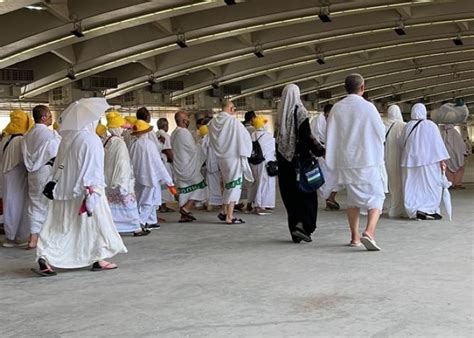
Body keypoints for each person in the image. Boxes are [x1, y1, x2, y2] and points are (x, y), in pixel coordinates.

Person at [33, 99, 127, 276]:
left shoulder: (66, 140)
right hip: (86, 192)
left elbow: (57, 166)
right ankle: (99, 257)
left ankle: (46, 255)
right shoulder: (91, 140)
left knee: (59, 227)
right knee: (95, 226)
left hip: (62, 191)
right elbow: (94, 169)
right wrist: (94, 192)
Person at [326, 74, 386, 251]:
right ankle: (369, 232)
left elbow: (331, 133)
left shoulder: (337, 108)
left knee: (353, 200)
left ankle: (354, 237)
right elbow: (380, 132)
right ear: (363, 88)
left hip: (346, 161)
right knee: (376, 197)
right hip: (367, 159)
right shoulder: (368, 108)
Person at [276, 84, 325, 243]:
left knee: (290, 197)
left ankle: (294, 229)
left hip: (285, 164)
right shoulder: (301, 112)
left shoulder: (281, 115)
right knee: (308, 195)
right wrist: (317, 151)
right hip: (300, 163)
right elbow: (306, 137)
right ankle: (304, 226)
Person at [399, 103, 450, 220]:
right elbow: (438, 145)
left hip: (410, 161)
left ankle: (414, 210)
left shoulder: (408, 126)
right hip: (430, 162)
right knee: (430, 185)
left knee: (412, 186)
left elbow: (401, 143)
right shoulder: (431, 126)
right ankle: (429, 209)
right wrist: (442, 160)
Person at [104, 112, 149, 236]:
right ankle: (136, 228)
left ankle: (115, 227)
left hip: (109, 180)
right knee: (128, 205)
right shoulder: (119, 143)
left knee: (114, 207)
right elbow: (122, 163)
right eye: (122, 128)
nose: (124, 130)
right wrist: (123, 181)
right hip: (121, 180)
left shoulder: (108, 141)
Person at [22, 105, 61, 249]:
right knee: (47, 204)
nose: (51, 118)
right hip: (46, 172)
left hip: (32, 173)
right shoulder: (49, 135)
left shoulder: (27, 135)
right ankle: (45, 237)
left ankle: (33, 237)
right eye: (50, 115)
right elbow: (57, 154)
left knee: (34, 205)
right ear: (44, 117)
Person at [208, 100, 253, 224]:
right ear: (231, 109)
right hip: (233, 157)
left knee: (227, 184)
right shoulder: (233, 122)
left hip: (221, 158)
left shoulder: (212, 123)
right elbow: (244, 138)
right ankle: (230, 216)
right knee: (234, 185)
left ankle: (223, 211)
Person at [129, 120, 174, 230]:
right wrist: (168, 179)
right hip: (150, 177)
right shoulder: (149, 144)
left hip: (138, 177)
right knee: (149, 201)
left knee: (143, 199)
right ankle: (140, 223)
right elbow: (157, 163)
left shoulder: (134, 145)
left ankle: (151, 220)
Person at [1, 110, 32, 248]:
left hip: (7, 176)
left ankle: (11, 236)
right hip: (17, 177)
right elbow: (26, 161)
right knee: (17, 205)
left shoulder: (6, 138)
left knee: (10, 204)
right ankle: (15, 237)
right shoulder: (20, 140)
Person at [171, 111, 208, 222]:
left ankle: (184, 216)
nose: (188, 121)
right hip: (187, 167)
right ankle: (187, 208)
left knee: (184, 190)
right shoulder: (184, 132)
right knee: (202, 186)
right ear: (183, 120)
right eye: (187, 119)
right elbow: (193, 150)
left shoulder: (174, 133)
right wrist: (202, 142)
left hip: (178, 166)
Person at [311, 104, 341, 211]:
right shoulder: (334, 121)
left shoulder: (315, 121)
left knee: (331, 178)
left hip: (322, 153)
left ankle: (330, 199)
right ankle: (330, 199)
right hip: (327, 153)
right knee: (330, 179)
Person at [247, 116, 276, 215]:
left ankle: (250, 203)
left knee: (255, 183)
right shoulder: (267, 136)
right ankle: (259, 206)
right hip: (264, 163)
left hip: (253, 162)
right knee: (263, 184)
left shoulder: (252, 135)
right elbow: (271, 150)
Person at [383, 105, 406, 218]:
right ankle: (400, 208)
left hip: (387, 158)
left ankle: (394, 207)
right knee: (401, 183)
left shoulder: (383, 124)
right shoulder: (402, 125)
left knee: (392, 183)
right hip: (400, 158)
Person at [200, 124, 223, 211]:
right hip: (213, 163)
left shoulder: (207, 138)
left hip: (211, 163)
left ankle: (214, 203)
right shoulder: (211, 137)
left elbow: (203, 151)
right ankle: (211, 203)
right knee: (212, 184)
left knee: (213, 184)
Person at [157, 118, 175, 213]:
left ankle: (161, 204)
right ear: (165, 126)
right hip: (165, 162)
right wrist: (173, 160)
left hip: (158, 162)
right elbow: (167, 150)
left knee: (159, 184)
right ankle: (163, 205)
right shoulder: (166, 136)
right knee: (166, 183)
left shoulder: (155, 134)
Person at [441, 124, 466, 189]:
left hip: (447, 155)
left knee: (448, 169)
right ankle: (457, 184)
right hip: (457, 154)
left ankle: (450, 183)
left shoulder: (443, 134)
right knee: (459, 169)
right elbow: (461, 144)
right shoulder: (455, 133)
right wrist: (464, 152)